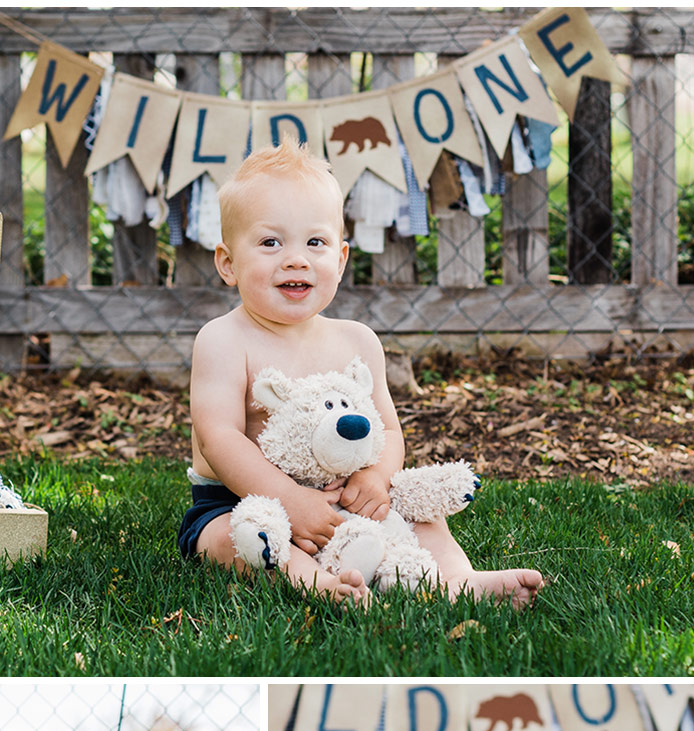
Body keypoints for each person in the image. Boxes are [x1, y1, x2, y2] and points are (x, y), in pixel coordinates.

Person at [181, 139, 544, 606]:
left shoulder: (357, 341)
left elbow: (388, 429)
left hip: (345, 492)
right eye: (271, 243)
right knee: (235, 541)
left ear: (341, 258)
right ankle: (318, 586)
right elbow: (220, 439)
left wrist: (376, 477)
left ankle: (459, 579)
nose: (296, 259)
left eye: (316, 242)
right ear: (228, 263)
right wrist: (290, 500)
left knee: (419, 512)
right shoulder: (223, 339)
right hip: (243, 500)